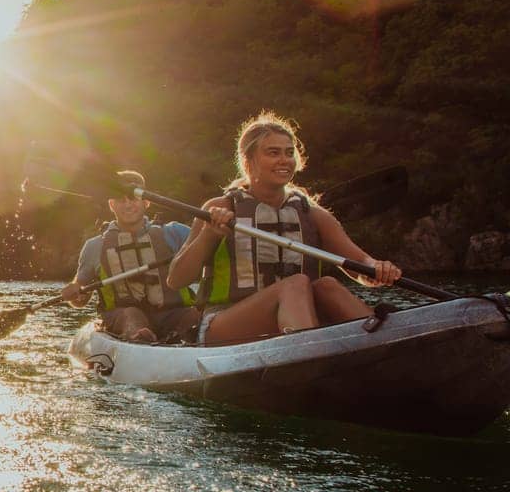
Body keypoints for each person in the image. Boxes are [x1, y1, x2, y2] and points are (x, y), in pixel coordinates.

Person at [166, 111, 401, 346]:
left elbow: (361, 265)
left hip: (294, 321)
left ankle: (388, 345)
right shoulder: (220, 208)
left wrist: (377, 268)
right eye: (273, 153)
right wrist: (209, 234)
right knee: (296, 284)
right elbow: (176, 280)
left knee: (326, 286)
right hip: (225, 326)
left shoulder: (313, 213)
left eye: (289, 153)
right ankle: (311, 357)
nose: (284, 160)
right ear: (249, 161)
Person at [62, 170, 198, 344]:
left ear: (147, 202)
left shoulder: (175, 233)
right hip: (122, 317)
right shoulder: (94, 246)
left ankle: (190, 340)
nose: (127, 205)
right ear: (112, 205)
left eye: (133, 198)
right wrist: (74, 293)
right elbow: (80, 298)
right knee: (132, 316)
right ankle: (141, 338)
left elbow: (208, 244)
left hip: (173, 314)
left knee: (194, 315)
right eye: (120, 200)